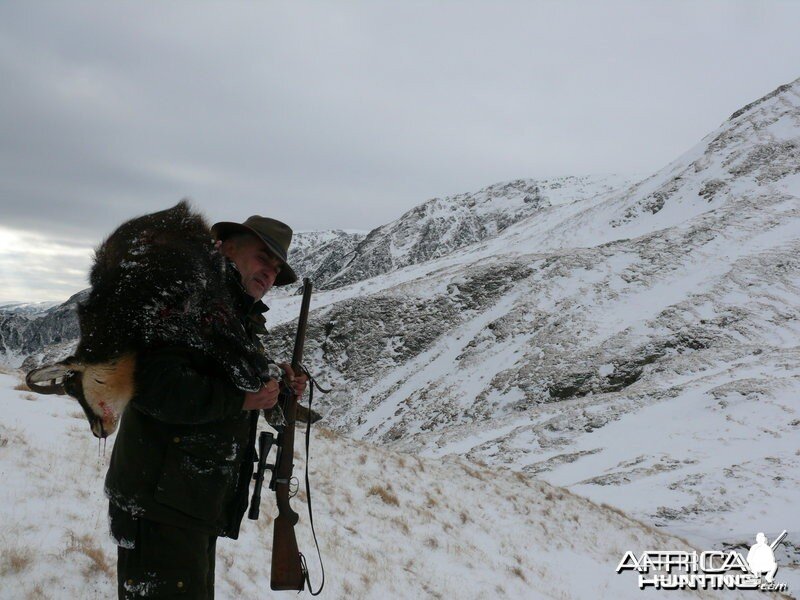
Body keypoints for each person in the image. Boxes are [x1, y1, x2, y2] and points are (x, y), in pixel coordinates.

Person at [104, 215, 308, 599]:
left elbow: (230, 379)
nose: (269, 272)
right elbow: (154, 386)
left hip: (189, 501)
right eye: (264, 258)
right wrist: (242, 400)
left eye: (277, 268)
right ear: (228, 247)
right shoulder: (187, 299)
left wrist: (279, 388)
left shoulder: (233, 313)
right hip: (160, 504)